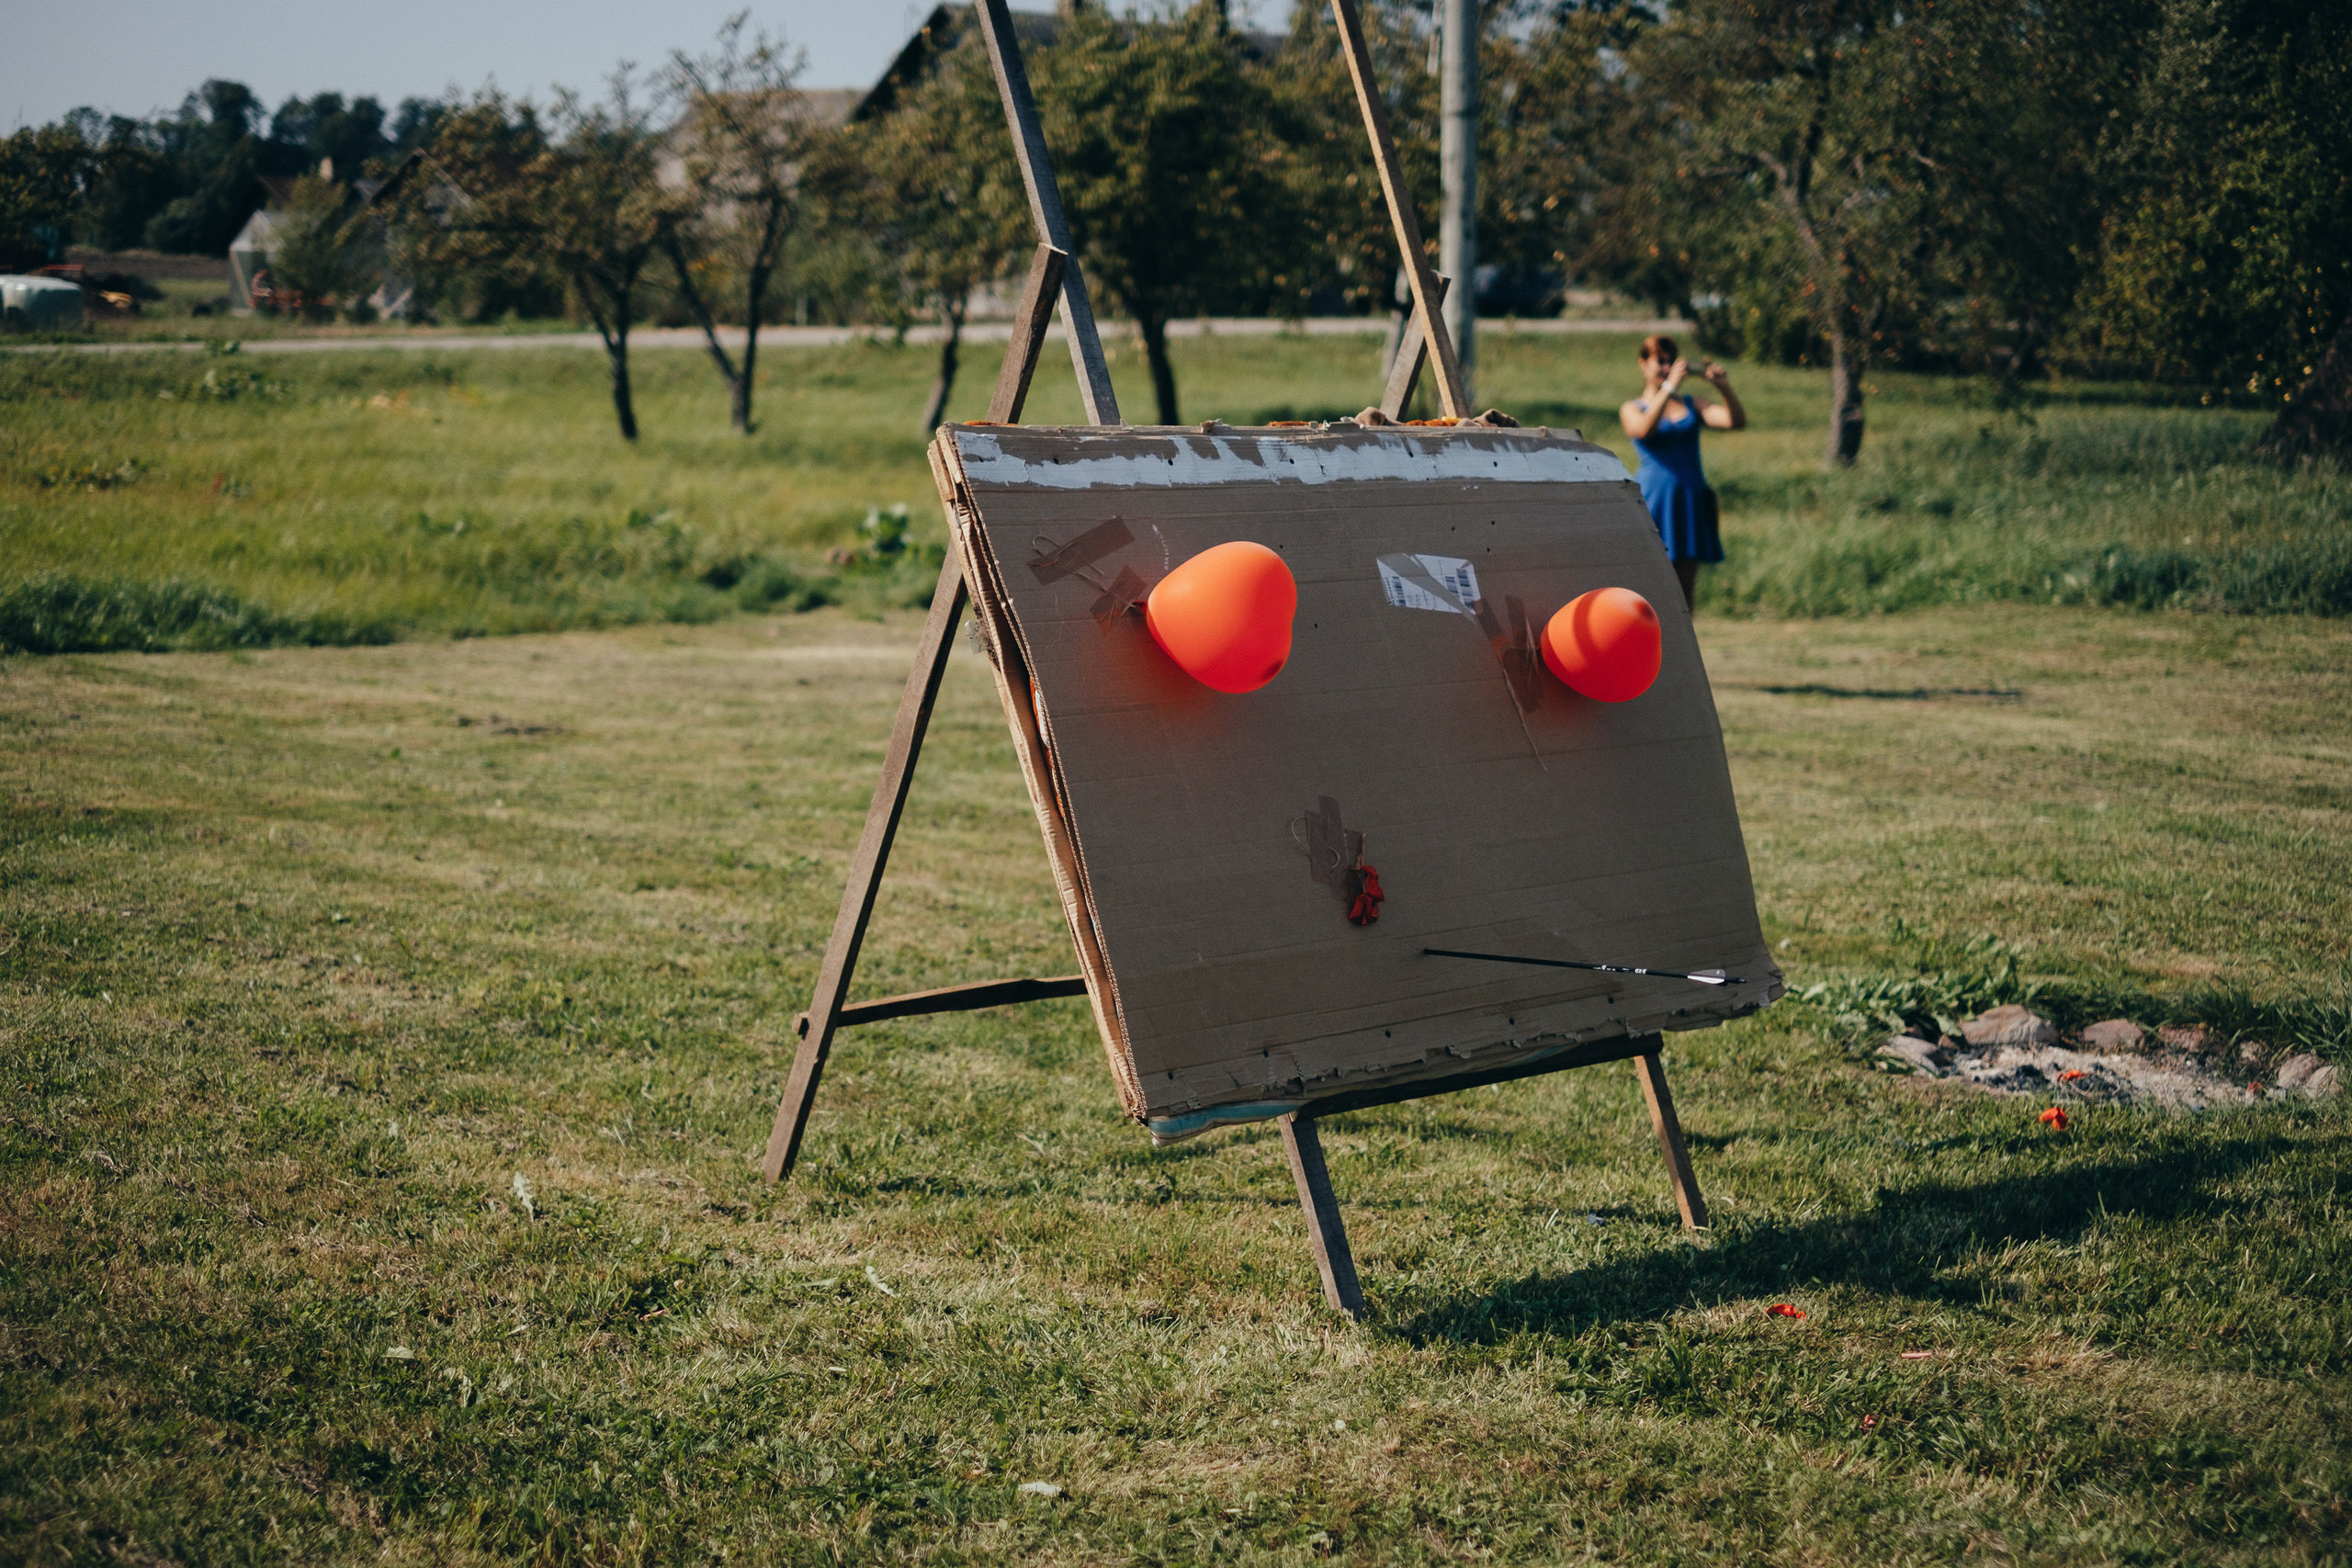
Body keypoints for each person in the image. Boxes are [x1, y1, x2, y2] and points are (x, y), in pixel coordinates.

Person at [1619, 334, 1747, 610]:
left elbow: (1734, 422)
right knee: (1649, 588)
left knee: (1684, 593)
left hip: (1690, 499)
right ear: (1643, 364)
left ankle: (1684, 650)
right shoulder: (1632, 407)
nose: (1666, 368)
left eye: (1671, 361)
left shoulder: (1692, 404)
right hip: (1654, 500)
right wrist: (1668, 388)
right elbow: (1642, 429)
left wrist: (1724, 388)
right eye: (1660, 361)